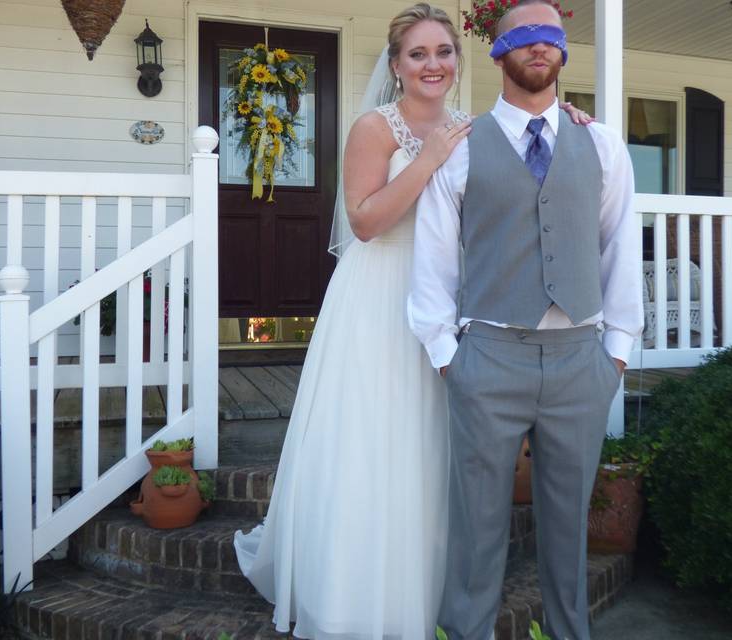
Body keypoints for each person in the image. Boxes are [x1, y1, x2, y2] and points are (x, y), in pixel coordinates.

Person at [234, 3, 590, 638]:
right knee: (375, 443)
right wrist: (426, 160)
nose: (433, 65)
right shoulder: (376, 128)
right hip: (379, 295)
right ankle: (356, 594)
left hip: (452, 301)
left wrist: (568, 118)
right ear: (396, 66)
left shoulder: (476, 127)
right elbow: (365, 223)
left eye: (444, 52)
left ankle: (429, 593)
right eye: (418, 54)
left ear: (459, 61)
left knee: (436, 449)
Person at [407, 1, 643, 639]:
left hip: (580, 361)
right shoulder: (458, 149)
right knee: (476, 527)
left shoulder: (599, 142)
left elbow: (620, 246)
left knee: (570, 533)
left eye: (553, 37)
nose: (541, 47)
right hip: (488, 358)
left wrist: (616, 351)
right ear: (497, 51)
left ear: (563, 52)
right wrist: (447, 354)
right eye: (524, 36)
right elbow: (433, 259)